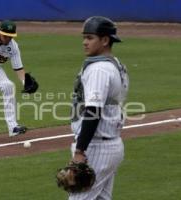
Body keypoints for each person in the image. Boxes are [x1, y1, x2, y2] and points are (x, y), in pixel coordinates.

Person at [69, 16, 129, 199]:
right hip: (111, 144)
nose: (84, 42)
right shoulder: (115, 64)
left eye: (90, 37)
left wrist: (80, 151)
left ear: (105, 40)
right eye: (84, 37)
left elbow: (93, 111)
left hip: (96, 148)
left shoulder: (99, 69)